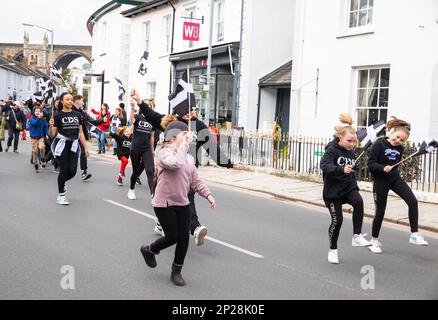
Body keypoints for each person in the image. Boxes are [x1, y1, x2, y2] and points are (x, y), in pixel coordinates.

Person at [130, 89, 235, 246]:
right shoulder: (171, 122)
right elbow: (151, 115)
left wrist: (229, 163)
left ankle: (196, 228)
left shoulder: (198, 126)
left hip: (187, 173)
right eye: (185, 109)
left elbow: (212, 148)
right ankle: (163, 223)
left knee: (187, 199)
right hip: (169, 170)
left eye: (191, 109)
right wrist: (139, 101)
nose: (189, 112)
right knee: (168, 202)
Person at [139, 120, 216, 286]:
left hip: (182, 202)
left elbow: (195, 180)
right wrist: (185, 144)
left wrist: (208, 194)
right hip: (164, 203)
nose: (188, 136)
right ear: (174, 137)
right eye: (184, 134)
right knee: (172, 236)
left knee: (183, 238)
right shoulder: (164, 153)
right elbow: (175, 164)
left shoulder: (188, 157)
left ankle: (176, 271)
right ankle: (149, 249)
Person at [367, 117, 428, 254]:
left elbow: (396, 163)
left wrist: (391, 169)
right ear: (393, 132)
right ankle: (374, 241)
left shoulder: (400, 148)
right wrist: (382, 168)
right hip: (380, 181)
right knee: (380, 212)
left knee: (412, 201)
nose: (398, 141)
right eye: (397, 137)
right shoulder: (379, 144)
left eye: (402, 140)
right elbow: (370, 165)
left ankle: (414, 234)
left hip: (394, 179)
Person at [320, 114, 371, 264]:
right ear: (340, 138)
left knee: (358, 202)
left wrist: (351, 173)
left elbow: (351, 167)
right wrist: (340, 169)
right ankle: (333, 250)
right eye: (349, 141)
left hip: (348, 187)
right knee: (338, 221)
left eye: (354, 141)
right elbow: (324, 166)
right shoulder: (332, 150)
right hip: (333, 192)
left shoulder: (351, 151)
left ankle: (357, 236)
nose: (351, 144)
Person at [49, 92, 90, 205]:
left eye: (71, 99)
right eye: (67, 99)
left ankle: (63, 182)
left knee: (72, 171)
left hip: (74, 145)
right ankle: (61, 195)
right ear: (62, 101)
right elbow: (52, 135)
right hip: (62, 145)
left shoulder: (77, 115)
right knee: (64, 169)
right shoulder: (57, 115)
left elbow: (80, 132)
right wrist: (51, 125)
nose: (70, 101)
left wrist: (86, 147)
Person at [127, 100, 155, 200]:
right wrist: (132, 108)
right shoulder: (137, 117)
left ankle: (153, 195)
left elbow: (152, 137)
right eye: (145, 104)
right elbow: (130, 121)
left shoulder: (152, 120)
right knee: (135, 171)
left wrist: (152, 151)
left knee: (150, 171)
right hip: (136, 147)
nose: (147, 105)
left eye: (149, 104)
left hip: (147, 148)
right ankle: (131, 189)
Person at [73, 95, 103, 181]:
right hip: (70, 136)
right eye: (82, 101)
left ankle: (84, 172)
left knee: (83, 152)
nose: (83, 103)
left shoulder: (83, 113)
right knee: (69, 154)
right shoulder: (70, 110)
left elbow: (92, 121)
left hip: (80, 136)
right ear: (77, 101)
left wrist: (102, 120)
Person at [28, 105, 49, 172]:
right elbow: (34, 123)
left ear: (41, 112)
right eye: (36, 111)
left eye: (39, 111)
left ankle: (42, 158)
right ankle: (35, 163)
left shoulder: (43, 119)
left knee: (42, 147)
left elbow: (45, 127)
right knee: (35, 151)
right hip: (33, 137)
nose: (37, 112)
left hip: (41, 136)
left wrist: (46, 134)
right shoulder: (32, 118)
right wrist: (38, 118)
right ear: (33, 112)